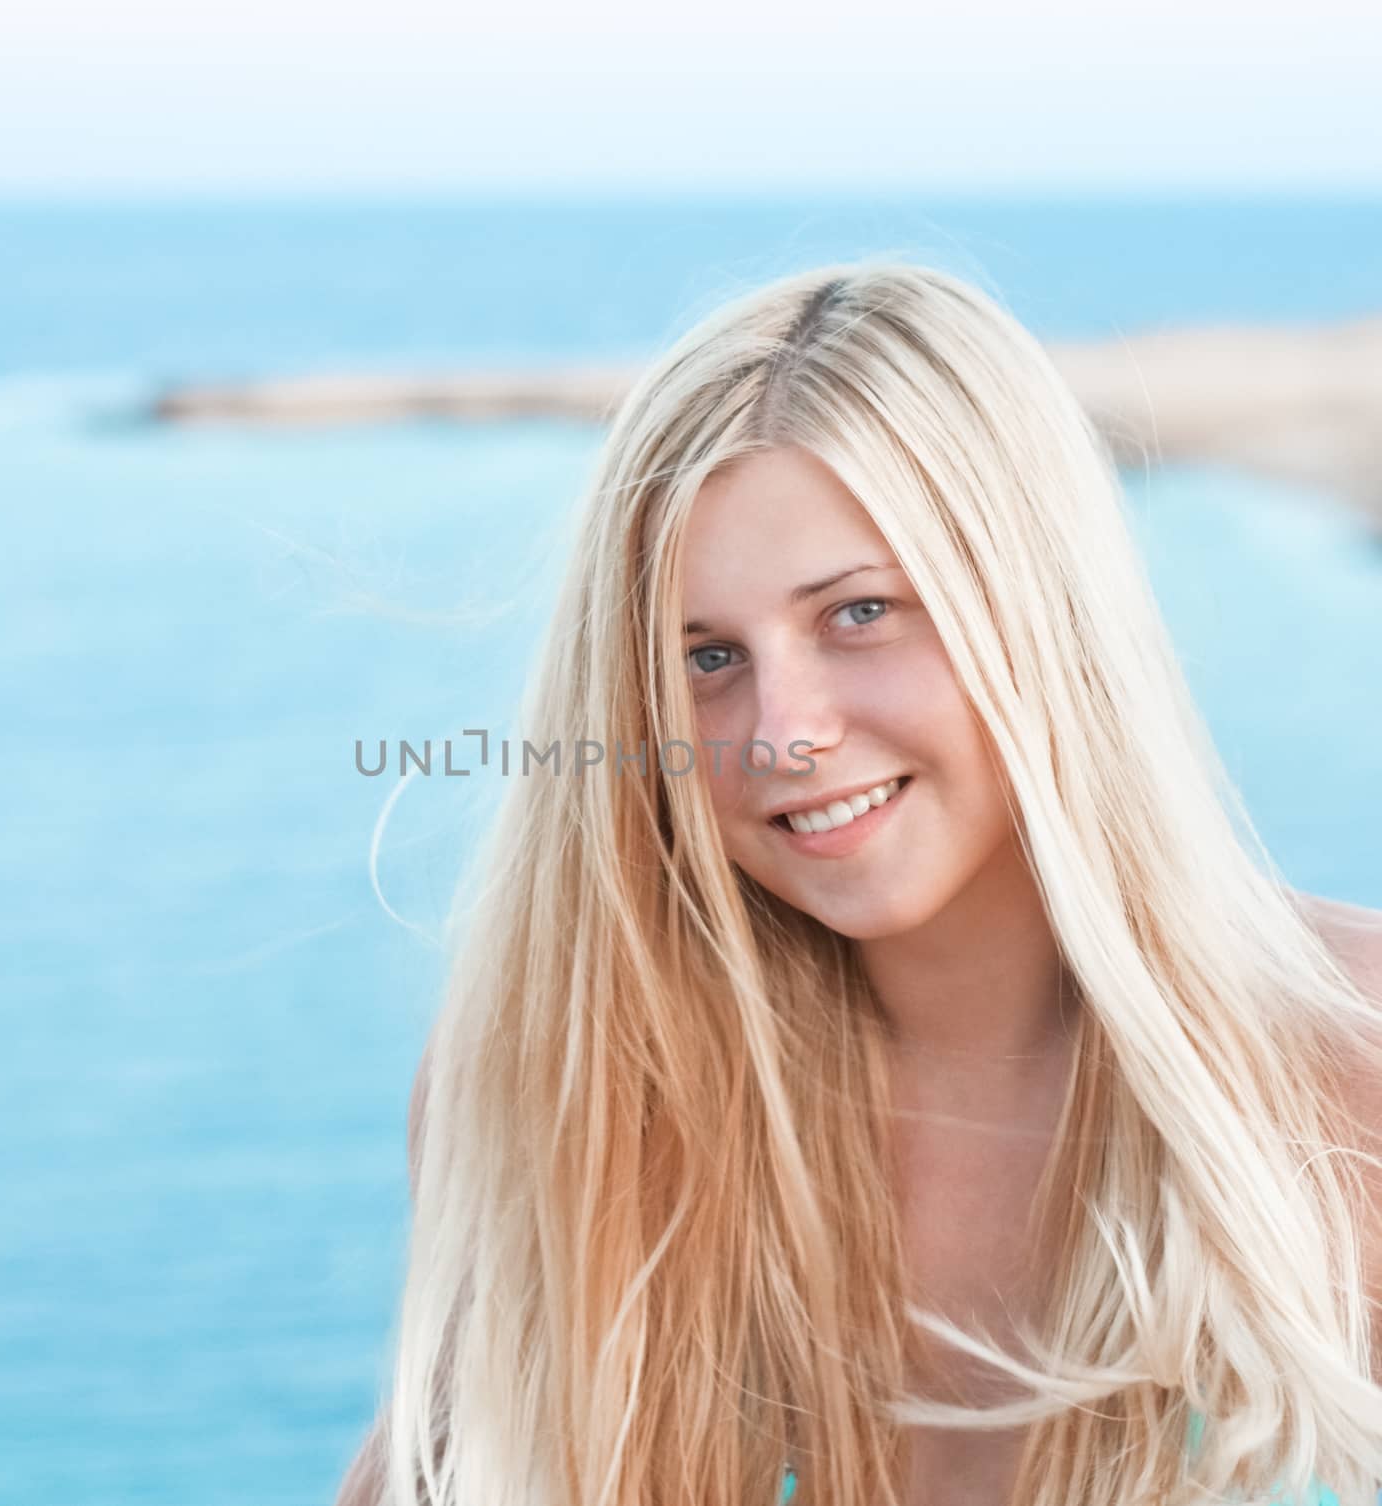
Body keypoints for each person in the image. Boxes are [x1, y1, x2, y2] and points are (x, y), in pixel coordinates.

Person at [335, 259, 1382, 1506]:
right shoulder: (575, 1083)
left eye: (859, 614)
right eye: (708, 657)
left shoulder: (1342, 1063)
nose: (784, 731)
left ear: (1036, 605)